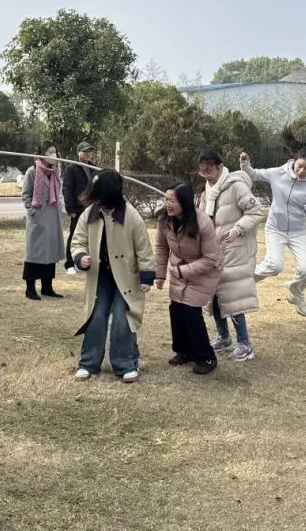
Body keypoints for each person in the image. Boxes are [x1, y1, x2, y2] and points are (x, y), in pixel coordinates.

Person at [71, 170, 157, 383]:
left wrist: (146, 277)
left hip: (126, 278)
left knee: (122, 316)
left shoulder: (131, 216)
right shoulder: (89, 214)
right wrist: (80, 256)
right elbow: (78, 240)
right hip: (99, 277)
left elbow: (144, 249)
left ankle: (126, 364)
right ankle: (88, 363)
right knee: (96, 316)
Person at [240, 147, 306, 317]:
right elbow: (254, 174)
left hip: (298, 231)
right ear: (294, 161)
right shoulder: (278, 173)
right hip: (275, 228)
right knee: (275, 265)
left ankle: (295, 294)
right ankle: (242, 282)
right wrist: (245, 164)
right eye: (300, 166)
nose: (302, 171)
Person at [197, 148, 263, 362]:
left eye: (209, 170)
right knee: (215, 294)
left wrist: (236, 229)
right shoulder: (207, 192)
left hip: (235, 249)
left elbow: (255, 211)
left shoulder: (236, 186)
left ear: (220, 166)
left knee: (233, 296)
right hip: (213, 251)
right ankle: (223, 337)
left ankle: (245, 344)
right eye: (202, 171)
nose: (207, 175)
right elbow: (202, 219)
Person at [155, 182, 223, 375]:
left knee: (191, 313)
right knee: (176, 310)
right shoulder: (164, 220)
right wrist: (160, 274)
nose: (168, 204)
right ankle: (183, 351)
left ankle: (206, 357)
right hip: (178, 270)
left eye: (172, 200)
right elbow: (161, 248)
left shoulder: (202, 222)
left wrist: (183, 271)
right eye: (166, 199)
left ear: (184, 201)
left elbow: (211, 259)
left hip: (203, 272)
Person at [21, 140, 67, 300]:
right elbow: (26, 194)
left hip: (52, 217)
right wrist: (33, 211)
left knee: (50, 253)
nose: (53, 155)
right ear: (42, 154)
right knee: (35, 254)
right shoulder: (32, 171)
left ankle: (47, 287)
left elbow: (58, 192)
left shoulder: (55, 171)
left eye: (55, 152)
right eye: (49, 152)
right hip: (39, 218)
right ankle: (30, 288)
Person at [63, 142, 97, 274]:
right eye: (85, 151)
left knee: (91, 234)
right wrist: (70, 209)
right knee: (74, 235)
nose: (88, 154)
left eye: (90, 151)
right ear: (78, 153)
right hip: (77, 209)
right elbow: (67, 189)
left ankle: (84, 261)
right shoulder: (71, 168)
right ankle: (69, 264)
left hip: (92, 208)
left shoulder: (94, 168)